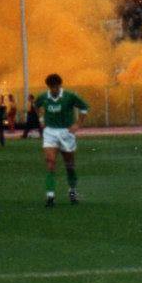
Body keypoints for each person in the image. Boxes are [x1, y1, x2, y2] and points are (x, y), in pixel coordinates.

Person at [35, 73, 89, 206]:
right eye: (51, 87)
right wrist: (41, 119)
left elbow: (84, 107)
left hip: (66, 133)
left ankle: (72, 192)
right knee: (50, 162)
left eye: (56, 87)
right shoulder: (44, 97)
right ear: (48, 87)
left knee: (69, 165)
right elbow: (36, 106)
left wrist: (78, 124)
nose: (54, 89)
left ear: (60, 85)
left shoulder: (69, 96)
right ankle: (50, 196)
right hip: (50, 132)